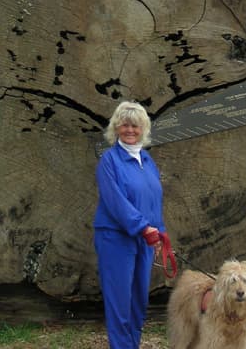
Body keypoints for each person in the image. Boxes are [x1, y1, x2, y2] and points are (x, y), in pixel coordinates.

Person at [93, 100, 167, 349]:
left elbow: (154, 199)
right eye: (125, 125)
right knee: (120, 300)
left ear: (142, 128)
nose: (130, 130)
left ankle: (131, 344)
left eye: (135, 125)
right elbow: (116, 203)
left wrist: (160, 233)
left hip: (144, 238)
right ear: (116, 128)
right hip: (116, 238)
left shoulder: (148, 160)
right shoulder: (109, 161)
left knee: (138, 300)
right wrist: (145, 228)